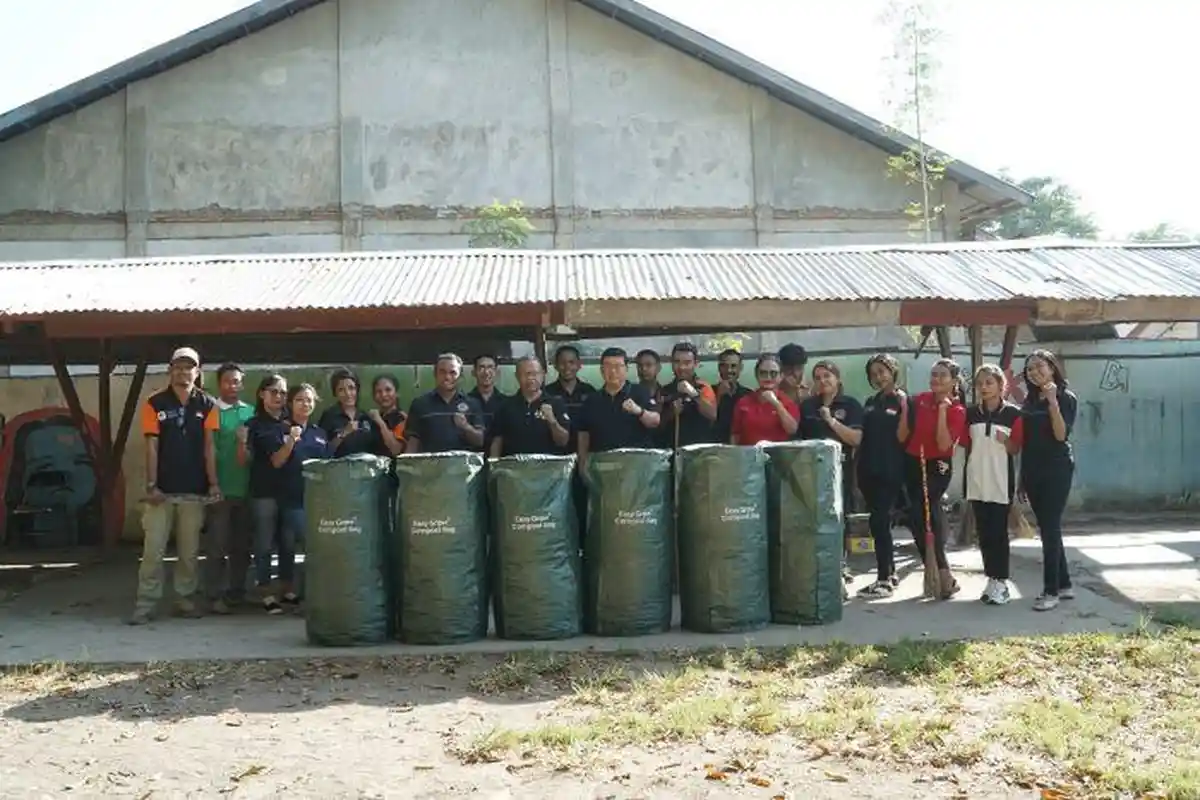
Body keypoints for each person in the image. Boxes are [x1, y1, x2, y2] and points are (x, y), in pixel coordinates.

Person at [130, 346, 220, 625]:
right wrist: (152, 485)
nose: (183, 371)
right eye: (178, 366)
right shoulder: (154, 403)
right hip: (162, 492)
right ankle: (145, 604)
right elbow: (151, 446)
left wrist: (214, 484)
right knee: (153, 551)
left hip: (194, 490)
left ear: (198, 371)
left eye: (188, 366)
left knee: (189, 552)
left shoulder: (208, 404)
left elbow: (209, 448)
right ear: (170, 370)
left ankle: (184, 600)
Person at [252, 383, 332, 614]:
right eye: (299, 400)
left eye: (309, 400)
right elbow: (276, 461)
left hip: (314, 500)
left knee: (289, 549)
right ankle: (268, 594)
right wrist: (290, 440)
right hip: (287, 499)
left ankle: (292, 593)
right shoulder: (280, 430)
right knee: (282, 544)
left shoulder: (319, 433)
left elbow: (327, 465)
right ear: (291, 404)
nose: (304, 404)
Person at [896, 357, 968, 599]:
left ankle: (943, 571)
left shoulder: (957, 410)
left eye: (942, 375)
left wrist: (942, 411)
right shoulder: (919, 401)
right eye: (934, 374)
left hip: (937, 465)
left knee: (930, 511)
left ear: (954, 381)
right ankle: (936, 571)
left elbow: (943, 443)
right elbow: (902, 435)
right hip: (912, 461)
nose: (936, 379)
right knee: (917, 516)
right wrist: (906, 409)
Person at [1020, 349, 1079, 612]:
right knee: (1047, 527)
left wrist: (1053, 400)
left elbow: (1060, 435)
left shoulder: (1066, 398)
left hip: (1057, 469)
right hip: (1032, 470)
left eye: (1039, 366)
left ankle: (1050, 591)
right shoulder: (1029, 402)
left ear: (1052, 367)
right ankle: (1065, 584)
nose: (1034, 372)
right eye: (1029, 369)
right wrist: (1022, 477)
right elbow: (1027, 442)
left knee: (1050, 527)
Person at [963, 364, 1024, 606]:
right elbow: (965, 443)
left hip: (1000, 481)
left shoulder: (1013, 414)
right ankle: (991, 579)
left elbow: (1016, 448)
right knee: (984, 534)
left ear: (1001, 385)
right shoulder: (971, 414)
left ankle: (1002, 582)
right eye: (980, 383)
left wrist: (1007, 440)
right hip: (977, 480)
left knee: (999, 534)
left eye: (989, 382)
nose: (984, 387)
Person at [203, 362, 255, 614]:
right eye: (227, 381)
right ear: (219, 383)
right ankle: (214, 595)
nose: (232, 386)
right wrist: (213, 484)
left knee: (242, 547)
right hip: (221, 491)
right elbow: (209, 450)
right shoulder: (212, 412)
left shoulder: (251, 413)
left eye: (236, 381)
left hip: (246, 490)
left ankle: (237, 593)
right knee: (216, 546)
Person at [856, 354, 907, 598]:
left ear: (893, 371)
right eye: (874, 374)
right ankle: (889, 574)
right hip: (868, 471)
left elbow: (905, 436)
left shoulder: (903, 401)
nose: (878, 377)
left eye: (882, 371)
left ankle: (884, 578)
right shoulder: (870, 402)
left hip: (891, 471)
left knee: (881, 522)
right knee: (878, 525)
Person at [576, 347, 661, 472]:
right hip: (603, 468)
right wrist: (582, 465)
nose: (613, 371)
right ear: (601, 370)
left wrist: (639, 411)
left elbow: (655, 421)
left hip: (636, 467)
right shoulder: (592, 400)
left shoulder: (640, 392)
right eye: (608, 366)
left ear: (626, 369)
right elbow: (583, 434)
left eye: (618, 366)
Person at [247, 374, 289, 614]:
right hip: (263, 492)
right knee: (264, 544)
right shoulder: (254, 425)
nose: (279, 397)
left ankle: (287, 591)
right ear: (262, 394)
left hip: (289, 492)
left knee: (287, 544)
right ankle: (265, 592)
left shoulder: (290, 422)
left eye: (283, 393)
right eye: (274, 391)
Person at [490, 356, 571, 457]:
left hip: (547, 468)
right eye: (526, 374)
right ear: (517, 376)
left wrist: (552, 421)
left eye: (535, 374)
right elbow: (497, 440)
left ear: (542, 375)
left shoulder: (556, 403)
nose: (531, 378)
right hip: (513, 469)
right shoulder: (505, 405)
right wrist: (493, 465)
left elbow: (563, 441)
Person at [405, 353, 485, 454]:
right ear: (435, 374)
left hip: (462, 468)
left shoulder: (473, 404)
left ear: (460, 376)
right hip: (430, 468)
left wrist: (465, 426)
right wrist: (407, 467)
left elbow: (479, 441)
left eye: (453, 373)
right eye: (442, 372)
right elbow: (413, 443)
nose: (447, 377)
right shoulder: (419, 404)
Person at [729, 354, 799, 444]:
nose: (768, 378)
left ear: (781, 376)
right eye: (763, 373)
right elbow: (735, 434)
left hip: (778, 455)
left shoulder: (788, 402)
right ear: (756, 375)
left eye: (773, 374)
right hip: (749, 455)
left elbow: (792, 429)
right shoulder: (743, 402)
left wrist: (776, 404)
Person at [660, 342, 718, 447]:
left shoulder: (703, 387)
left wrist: (694, 394)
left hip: (699, 451)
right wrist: (672, 412)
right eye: (677, 362)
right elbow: (658, 424)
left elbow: (712, 415)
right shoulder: (665, 390)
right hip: (672, 450)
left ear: (695, 363)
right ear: (671, 363)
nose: (682, 367)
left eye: (687, 363)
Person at [544, 344, 597, 453]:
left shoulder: (589, 391)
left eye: (571, 362)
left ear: (579, 365)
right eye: (562, 363)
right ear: (555, 366)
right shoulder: (547, 393)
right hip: (555, 452)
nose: (567, 367)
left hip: (586, 450)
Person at [318, 367, 375, 457]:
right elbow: (322, 450)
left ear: (357, 390)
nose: (348, 394)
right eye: (341, 390)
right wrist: (344, 433)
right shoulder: (329, 416)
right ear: (335, 393)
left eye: (351, 388)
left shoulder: (365, 417)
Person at [470, 354, 507, 453]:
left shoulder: (507, 403)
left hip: (500, 461)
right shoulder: (465, 402)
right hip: (470, 461)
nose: (486, 372)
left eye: (490, 367)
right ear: (474, 372)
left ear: (497, 372)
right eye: (481, 367)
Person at [715, 348, 753, 444]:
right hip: (716, 448)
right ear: (719, 368)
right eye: (725, 366)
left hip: (742, 448)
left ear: (740, 368)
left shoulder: (749, 395)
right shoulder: (708, 392)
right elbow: (705, 424)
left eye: (733, 366)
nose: (729, 370)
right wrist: (718, 396)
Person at [368, 373, 407, 457]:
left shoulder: (402, 419)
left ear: (396, 393)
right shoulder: (370, 419)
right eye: (379, 391)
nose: (383, 395)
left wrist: (380, 422)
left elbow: (395, 450)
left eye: (388, 390)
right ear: (374, 396)